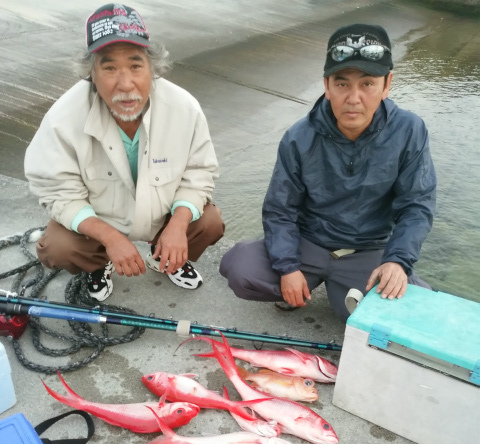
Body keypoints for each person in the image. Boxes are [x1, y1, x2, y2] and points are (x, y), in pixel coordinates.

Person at [220, 24, 435, 322]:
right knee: (240, 268)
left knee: (419, 314)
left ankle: (339, 290)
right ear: (327, 85)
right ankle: (303, 284)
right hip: (309, 243)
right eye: (342, 83)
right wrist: (287, 267)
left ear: (387, 84)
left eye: (368, 84)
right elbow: (279, 209)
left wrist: (398, 261)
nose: (354, 97)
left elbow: (416, 206)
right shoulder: (298, 136)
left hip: (367, 250)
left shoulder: (411, 130)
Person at [25, 3, 224, 301]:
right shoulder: (62, 118)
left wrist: (179, 224)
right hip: (98, 224)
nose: (126, 83)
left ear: (152, 68)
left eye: (135, 65)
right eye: (109, 68)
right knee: (57, 246)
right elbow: (57, 191)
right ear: (91, 73)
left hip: (161, 215)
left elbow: (200, 172)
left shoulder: (184, 108)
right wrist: (109, 237)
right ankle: (98, 264)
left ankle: (165, 258)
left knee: (209, 222)